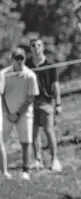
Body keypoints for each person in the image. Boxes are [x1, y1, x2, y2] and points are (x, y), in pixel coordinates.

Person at [0, 48, 39, 181]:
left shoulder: (30, 76)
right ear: (12, 59)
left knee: (26, 142)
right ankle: (3, 170)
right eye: (17, 58)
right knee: (1, 142)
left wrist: (17, 114)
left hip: (24, 114)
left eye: (22, 58)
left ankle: (25, 170)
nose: (20, 61)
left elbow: (30, 98)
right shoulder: (4, 74)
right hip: (6, 114)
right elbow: (2, 95)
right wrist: (8, 112)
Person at [26, 38, 62, 172]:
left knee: (48, 130)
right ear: (30, 48)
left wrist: (58, 103)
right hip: (31, 103)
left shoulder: (50, 65)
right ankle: (37, 159)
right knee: (34, 132)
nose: (36, 48)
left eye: (39, 45)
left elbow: (55, 85)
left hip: (46, 102)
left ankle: (54, 159)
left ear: (42, 47)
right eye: (33, 45)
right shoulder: (27, 64)